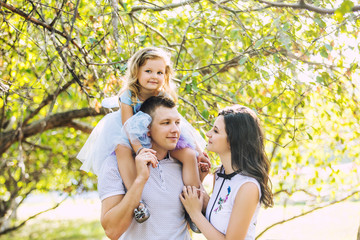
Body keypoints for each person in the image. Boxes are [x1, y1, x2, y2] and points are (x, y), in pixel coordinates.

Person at [77, 47, 208, 222]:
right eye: (148, 71)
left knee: (188, 154)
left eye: (160, 72)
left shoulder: (162, 94)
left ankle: (194, 202)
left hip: (159, 132)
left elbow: (179, 122)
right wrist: (139, 149)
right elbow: (128, 126)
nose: (154, 76)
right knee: (121, 150)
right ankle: (137, 203)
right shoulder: (129, 95)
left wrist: (199, 150)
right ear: (136, 71)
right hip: (132, 133)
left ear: (165, 75)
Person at [98, 95, 200, 239]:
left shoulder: (183, 162)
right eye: (166, 123)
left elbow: (186, 222)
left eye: (177, 123)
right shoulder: (115, 165)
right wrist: (140, 180)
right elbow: (112, 231)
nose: (175, 130)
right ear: (147, 129)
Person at [180, 105, 274, 240]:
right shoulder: (220, 174)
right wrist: (198, 180)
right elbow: (217, 215)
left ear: (233, 140)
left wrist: (195, 214)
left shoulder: (248, 187)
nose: (208, 133)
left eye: (216, 131)